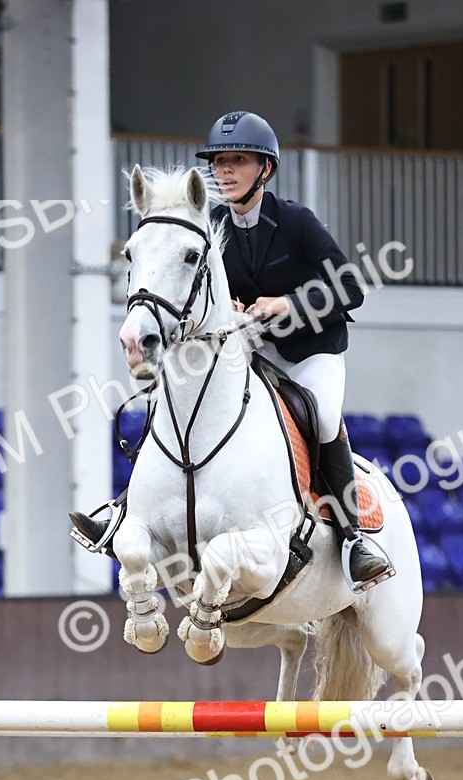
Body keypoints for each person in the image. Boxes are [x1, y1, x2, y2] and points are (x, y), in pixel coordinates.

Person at [70, 109, 389, 590]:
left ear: (265, 169)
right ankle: (125, 510)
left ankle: (353, 539)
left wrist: (287, 303)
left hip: (309, 351)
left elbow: (350, 288)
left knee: (322, 417)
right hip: (251, 349)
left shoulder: (296, 222)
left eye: (238, 160)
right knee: (179, 400)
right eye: (219, 162)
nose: (224, 170)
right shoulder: (210, 226)